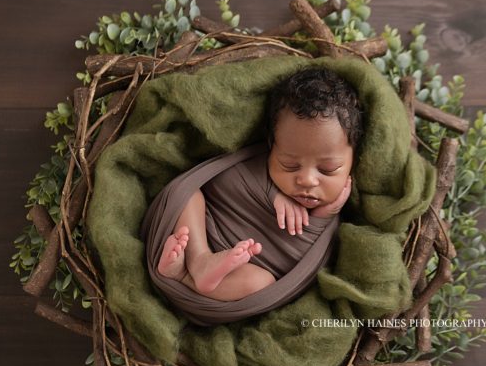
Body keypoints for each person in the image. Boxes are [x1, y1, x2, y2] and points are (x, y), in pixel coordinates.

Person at [153, 67, 361, 301]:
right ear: (271, 146)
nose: (307, 180)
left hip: (228, 286)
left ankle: (183, 277)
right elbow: (217, 181)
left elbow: (303, 267)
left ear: (354, 158)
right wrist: (270, 192)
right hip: (194, 234)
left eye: (328, 170)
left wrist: (324, 216)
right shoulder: (256, 163)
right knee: (188, 192)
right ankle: (199, 258)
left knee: (261, 283)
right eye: (289, 165)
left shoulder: (340, 215)